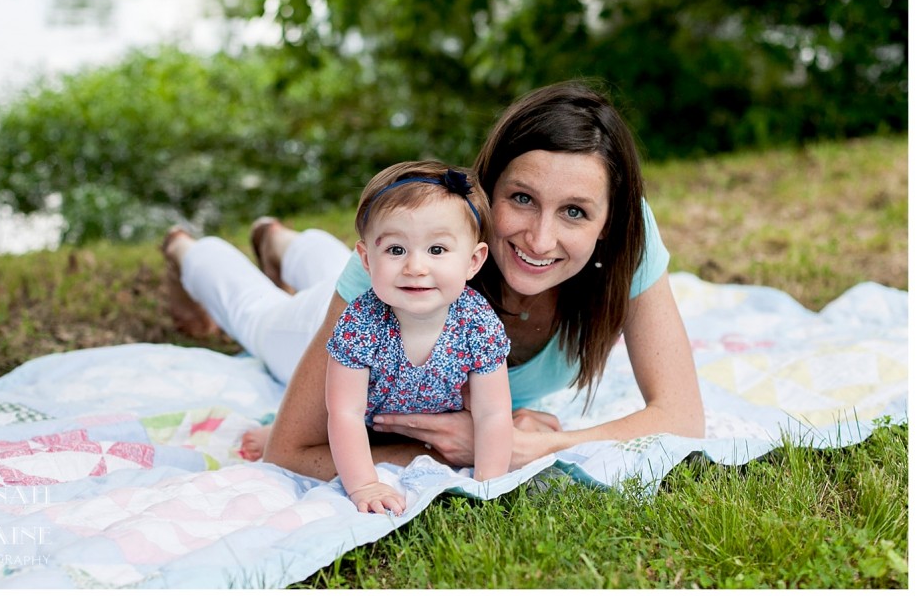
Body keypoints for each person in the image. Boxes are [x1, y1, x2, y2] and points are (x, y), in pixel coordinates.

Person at [160, 79, 704, 482]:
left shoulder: (632, 235)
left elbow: (680, 415)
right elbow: (290, 450)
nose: (540, 240)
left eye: (575, 214)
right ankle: (186, 248)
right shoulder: (426, 249)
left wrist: (535, 444)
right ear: (485, 192)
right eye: (521, 199)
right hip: (357, 316)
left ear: (611, 223)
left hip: (391, 274)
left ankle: (277, 239)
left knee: (333, 263)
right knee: (258, 315)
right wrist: (450, 450)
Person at [325, 161, 512, 515]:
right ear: (366, 259)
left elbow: (493, 413)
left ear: (473, 261)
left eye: (437, 250)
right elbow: (344, 413)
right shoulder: (360, 323)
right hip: (375, 432)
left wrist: (489, 483)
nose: (415, 267)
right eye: (396, 250)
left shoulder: (477, 323)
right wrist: (365, 484)